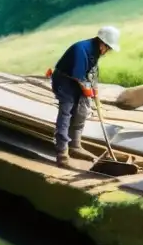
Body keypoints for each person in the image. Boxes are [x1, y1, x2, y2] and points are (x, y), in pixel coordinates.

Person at [51, 25, 120, 168]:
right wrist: (87, 90)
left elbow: (93, 74)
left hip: (77, 81)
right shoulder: (80, 49)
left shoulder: (95, 52)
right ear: (102, 43)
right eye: (108, 48)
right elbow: (78, 76)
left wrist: (96, 95)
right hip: (64, 81)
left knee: (82, 112)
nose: (107, 52)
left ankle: (75, 146)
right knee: (66, 112)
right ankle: (62, 153)